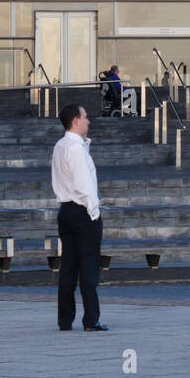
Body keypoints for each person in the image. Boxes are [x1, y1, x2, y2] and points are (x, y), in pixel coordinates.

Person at [52, 104, 108, 331]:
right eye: (85, 117)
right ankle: (90, 319)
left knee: (68, 266)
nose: (89, 121)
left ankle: (65, 319)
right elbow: (84, 184)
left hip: (65, 210)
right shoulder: (75, 149)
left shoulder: (60, 146)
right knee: (88, 265)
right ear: (75, 120)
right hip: (82, 211)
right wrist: (94, 211)